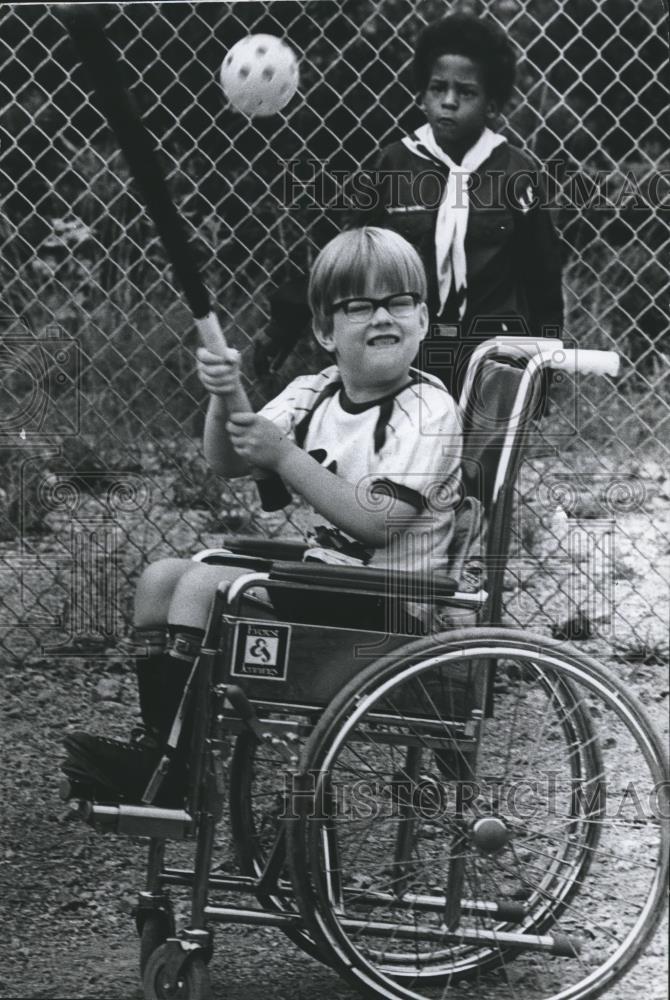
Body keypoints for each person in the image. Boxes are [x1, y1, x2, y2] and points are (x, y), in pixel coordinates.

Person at [61, 227, 463, 806]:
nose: (383, 318)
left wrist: (284, 455)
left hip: (391, 604)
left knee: (204, 586)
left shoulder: (428, 408)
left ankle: (175, 771)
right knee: (161, 580)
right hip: (335, 585)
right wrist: (223, 392)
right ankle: (166, 750)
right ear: (325, 330)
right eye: (360, 306)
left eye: (400, 302)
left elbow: (378, 523)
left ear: (423, 319)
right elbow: (225, 459)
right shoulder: (315, 391)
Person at [256, 13, 564, 397]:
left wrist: (546, 368)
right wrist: (283, 324)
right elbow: (348, 254)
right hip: (411, 354)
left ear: (492, 105)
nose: (448, 102)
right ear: (422, 94)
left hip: (495, 357)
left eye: (466, 92)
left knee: (484, 457)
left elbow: (543, 278)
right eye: (438, 88)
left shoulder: (518, 172)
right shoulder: (394, 164)